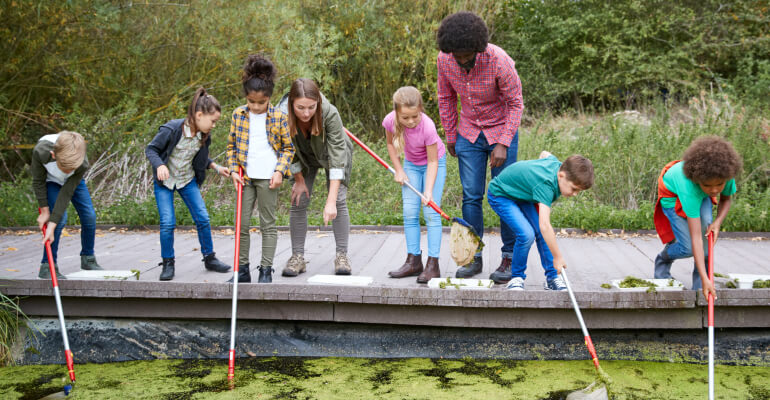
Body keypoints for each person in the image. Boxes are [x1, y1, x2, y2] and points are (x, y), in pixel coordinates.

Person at [436, 11, 524, 280]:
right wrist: (451, 135)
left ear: (477, 47)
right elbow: (446, 97)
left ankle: (508, 258)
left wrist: (503, 143)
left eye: (467, 56)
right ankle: (473, 258)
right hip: (469, 132)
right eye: (457, 56)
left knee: (504, 196)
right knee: (471, 196)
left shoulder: (498, 60)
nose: (462, 62)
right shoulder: (444, 60)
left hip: (501, 130)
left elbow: (515, 103)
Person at [145, 87, 232, 281]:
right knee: (168, 223)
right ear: (199, 115)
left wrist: (216, 167)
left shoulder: (203, 135)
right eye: (213, 121)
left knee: (203, 218)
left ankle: (209, 258)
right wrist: (159, 165)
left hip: (186, 180)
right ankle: (168, 263)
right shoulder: (172, 129)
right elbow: (151, 150)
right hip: (164, 182)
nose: (214, 125)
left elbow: (201, 158)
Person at [226, 54, 294, 284]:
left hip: (268, 178)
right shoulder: (238, 114)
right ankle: (242, 270)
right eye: (251, 102)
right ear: (246, 97)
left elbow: (287, 149)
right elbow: (231, 147)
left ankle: (266, 270)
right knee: (242, 225)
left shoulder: (278, 117)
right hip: (245, 178)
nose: (255, 107)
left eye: (260, 103)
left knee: (268, 224)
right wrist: (234, 170)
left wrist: (279, 172)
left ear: (269, 98)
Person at [277, 78, 354, 276]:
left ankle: (342, 256)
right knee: (298, 200)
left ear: (318, 103)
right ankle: (297, 257)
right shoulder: (281, 116)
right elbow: (286, 149)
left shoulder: (329, 113)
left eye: (311, 107)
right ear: (291, 103)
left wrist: (330, 201)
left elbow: (338, 155)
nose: (306, 113)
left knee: (338, 200)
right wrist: (299, 181)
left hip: (331, 154)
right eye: (300, 107)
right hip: (301, 157)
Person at [486, 151, 594, 290]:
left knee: (542, 235)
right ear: (561, 175)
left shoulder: (558, 165)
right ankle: (517, 277)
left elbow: (545, 154)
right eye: (574, 189)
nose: (574, 194)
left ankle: (552, 278)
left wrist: (532, 176)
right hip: (501, 194)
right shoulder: (545, 185)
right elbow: (545, 226)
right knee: (527, 234)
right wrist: (558, 257)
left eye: (578, 191)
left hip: (522, 195)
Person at [653, 136, 742, 299]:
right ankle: (663, 259)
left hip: (699, 194)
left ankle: (700, 287)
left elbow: (726, 199)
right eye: (708, 185)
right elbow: (696, 238)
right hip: (672, 194)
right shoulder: (690, 188)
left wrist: (717, 223)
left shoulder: (725, 175)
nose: (715, 190)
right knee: (687, 248)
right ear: (699, 181)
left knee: (707, 235)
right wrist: (705, 276)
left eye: (719, 185)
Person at [383, 86, 447, 283]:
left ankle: (433, 265)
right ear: (396, 113)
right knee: (410, 212)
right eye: (405, 118)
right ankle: (413, 261)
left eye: (414, 116)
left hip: (433, 163)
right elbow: (390, 144)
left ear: (420, 109)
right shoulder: (390, 121)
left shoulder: (427, 126)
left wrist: (427, 191)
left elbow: (433, 161)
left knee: (430, 212)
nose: (410, 122)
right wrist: (399, 170)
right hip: (410, 164)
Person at [31, 131, 105, 279]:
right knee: (60, 220)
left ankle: (88, 259)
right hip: (51, 181)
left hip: (73, 182)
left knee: (89, 216)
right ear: (53, 155)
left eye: (71, 169)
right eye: (65, 168)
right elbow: (38, 181)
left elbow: (66, 193)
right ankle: (47, 266)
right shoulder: (41, 152)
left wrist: (52, 223)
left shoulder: (81, 162)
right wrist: (45, 211)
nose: (68, 171)